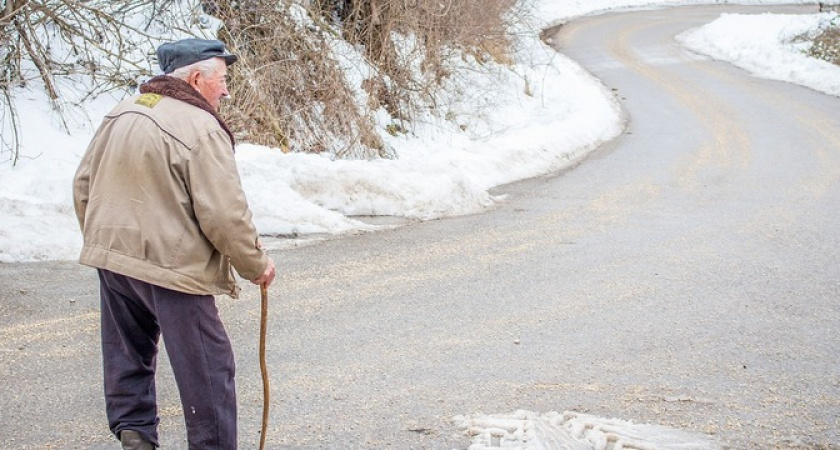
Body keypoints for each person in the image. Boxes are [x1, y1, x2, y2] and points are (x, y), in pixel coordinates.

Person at [73, 38, 276, 450]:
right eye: (222, 80)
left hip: (115, 261)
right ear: (197, 77)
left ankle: (135, 435)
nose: (227, 90)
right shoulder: (201, 127)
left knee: (129, 354)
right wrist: (255, 264)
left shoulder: (122, 112)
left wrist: (107, 241)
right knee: (207, 368)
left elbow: (82, 186)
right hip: (174, 269)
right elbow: (224, 214)